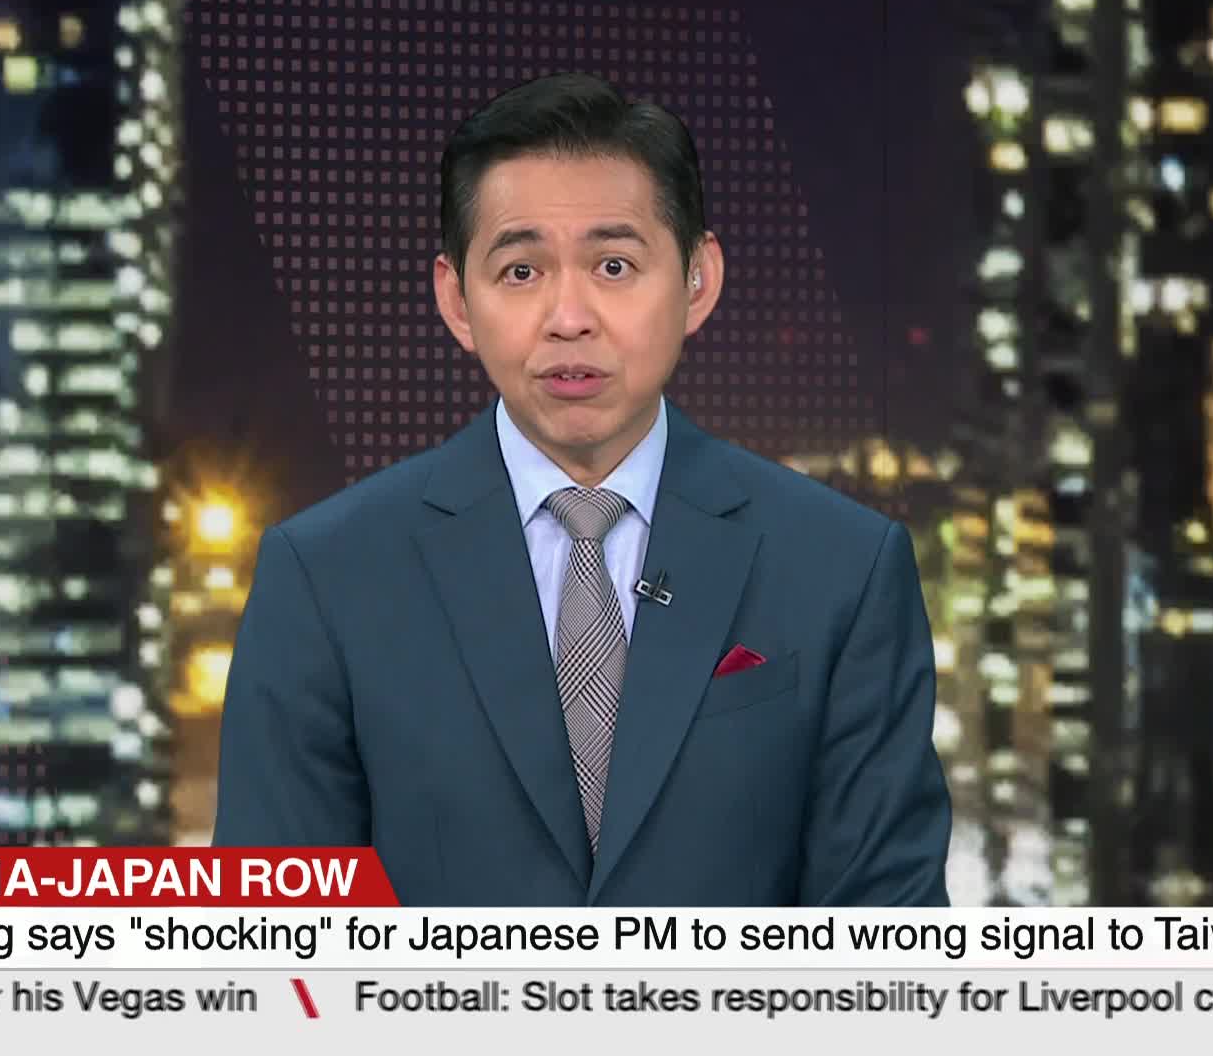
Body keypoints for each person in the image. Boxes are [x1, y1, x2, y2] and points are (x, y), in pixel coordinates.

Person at [214, 72, 951, 906]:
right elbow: (276, 938)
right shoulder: (326, 577)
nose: (570, 317)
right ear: (456, 300)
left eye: (614, 265)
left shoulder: (843, 569)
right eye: (521, 271)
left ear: (698, 280)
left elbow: (887, 939)